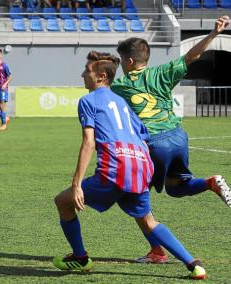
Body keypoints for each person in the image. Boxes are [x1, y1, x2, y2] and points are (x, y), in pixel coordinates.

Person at [53, 51, 207, 280]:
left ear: (101, 77)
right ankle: (193, 264)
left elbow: (88, 142)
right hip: (140, 165)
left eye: (87, 71)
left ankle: (80, 258)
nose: (82, 75)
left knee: (63, 201)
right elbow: (143, 134)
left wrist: (76, 184)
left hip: (115, 168)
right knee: (148, 221)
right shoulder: (122, 102)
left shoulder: (87, 101)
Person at [110, 15, 231, 263]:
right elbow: (192, 56)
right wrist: (213, 33)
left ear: (130, 61)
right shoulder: (163, 72)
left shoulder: (121, 85)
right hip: (178, 137)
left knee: (137, 199)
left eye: (123, 60)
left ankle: (157, 251)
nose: (122, 65)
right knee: (177, 189)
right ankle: (210, 182)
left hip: (154, 144)